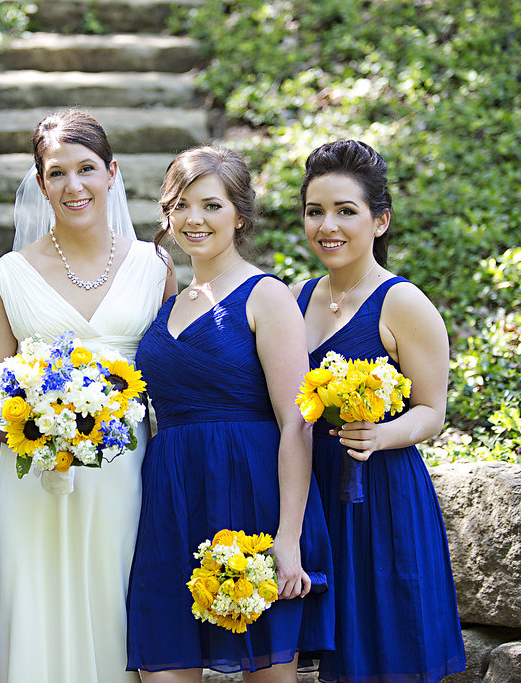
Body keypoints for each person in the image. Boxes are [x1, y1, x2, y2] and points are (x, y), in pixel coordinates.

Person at [0, 109, 177, 682]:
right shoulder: (9, 273)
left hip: (124, 468)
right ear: (40, 184)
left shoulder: (153, 266)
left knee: (113, 604)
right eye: (57, 173)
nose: (73, 186)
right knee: (32, 607)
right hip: (34, 476)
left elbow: (172, 375)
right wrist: (34, 433)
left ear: (112, 172)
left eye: (86, 168)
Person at [125, 146, 335, 682]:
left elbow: (297, 422)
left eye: (211, 205)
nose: (194, 219)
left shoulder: (266, 296)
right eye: (181, 204)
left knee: (267, 671)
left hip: (253, 492)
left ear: (240, 215)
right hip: (171, 497)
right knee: (164, 664)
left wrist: (288, 539)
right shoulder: (166, 300)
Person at [292, 140, 466, 682]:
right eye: (315, 211)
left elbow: (432, 411)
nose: (329, 226)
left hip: (380, 493)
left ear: (380, 220)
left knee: (385, 650)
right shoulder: (295, 297)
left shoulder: (402, 302)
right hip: (312, 491)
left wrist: (381, 434)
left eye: (346, 211)